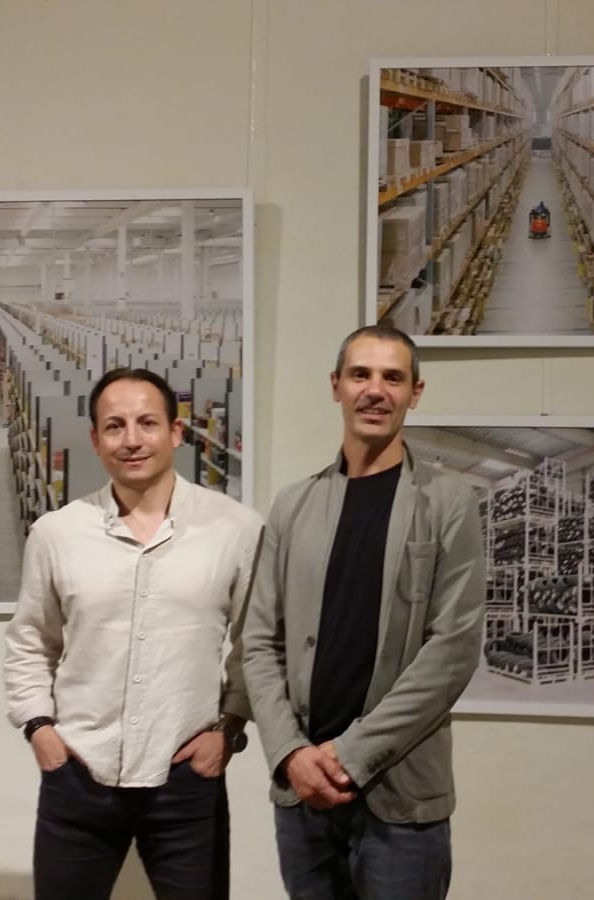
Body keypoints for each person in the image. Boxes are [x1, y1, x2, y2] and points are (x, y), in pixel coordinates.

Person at [241, 325, 487, 899]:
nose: (375, 390)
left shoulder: (448, 502)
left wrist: (351, 755)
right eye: (360, 374)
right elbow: (259, 641)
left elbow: (452, 651)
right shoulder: (293, 506)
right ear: (336, 386)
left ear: (414, 393)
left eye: (392, 378)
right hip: (302, 795)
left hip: (401, 798)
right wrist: (290, 753)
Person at [3, 366, 263, 900]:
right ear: (95, 439)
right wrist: (39, 728)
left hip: (186, 777)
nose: (131, 440)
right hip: (78, 774)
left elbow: (255, 642)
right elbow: (30, 640)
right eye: (115, 426)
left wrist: (228, 729)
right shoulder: (56, 533)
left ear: (175, 432)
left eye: (147, 423)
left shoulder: (235, 529)